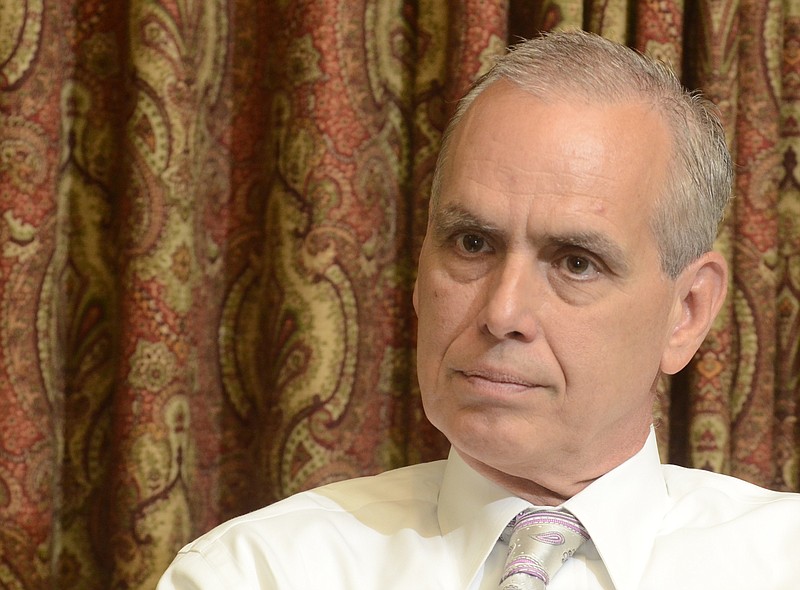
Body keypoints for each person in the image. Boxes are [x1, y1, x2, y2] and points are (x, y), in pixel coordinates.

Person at [158, 30, 800, 589]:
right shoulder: (257, 573)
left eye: (575, 261)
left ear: (686, 312)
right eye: (472, 244)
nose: (503, 311)